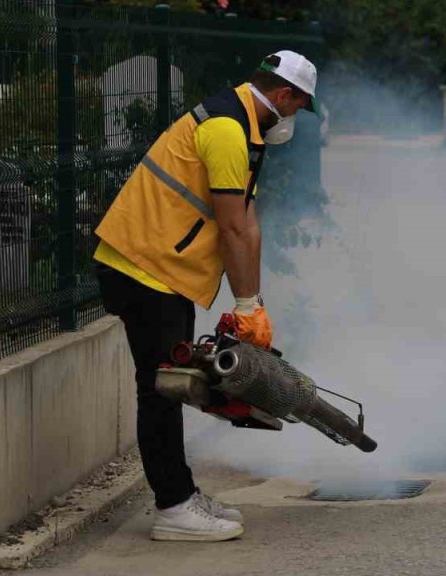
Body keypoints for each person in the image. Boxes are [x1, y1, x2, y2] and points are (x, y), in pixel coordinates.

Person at [92, 51, 319, 542]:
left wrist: (252, 304)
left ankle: (182, 493)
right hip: (143, 267)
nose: (295, 119)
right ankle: (173, 508)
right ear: (283, 96)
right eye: (298, 107)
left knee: (172, 387)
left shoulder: (241, 128)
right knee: (161, 391)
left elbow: (247, 222)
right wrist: (243, 305)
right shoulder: (225, 130)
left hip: (158, 268)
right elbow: (233, 229)